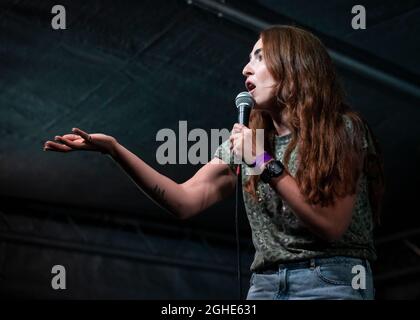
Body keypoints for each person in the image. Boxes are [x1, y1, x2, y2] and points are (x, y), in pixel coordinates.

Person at [43, 25, 385, 300]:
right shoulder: (249, 143)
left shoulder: (342, 128)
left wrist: (263, 163)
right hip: (264, 286)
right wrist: (115, 150)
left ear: (295, 67)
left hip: (330, 279)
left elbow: (331, 225)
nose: (246, 68)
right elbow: (184, 201)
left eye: (260, 56)